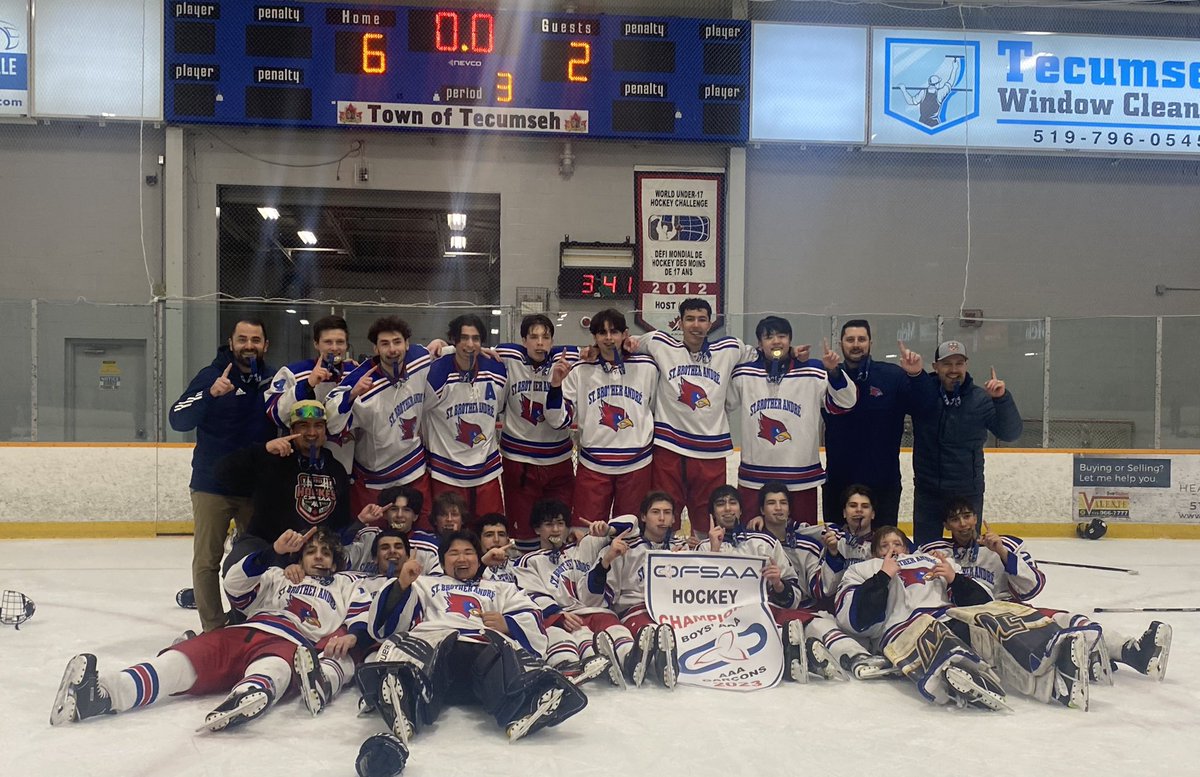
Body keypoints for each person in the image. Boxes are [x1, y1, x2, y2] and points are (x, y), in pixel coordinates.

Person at [51, 527, 361, 730]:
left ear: (335, 563)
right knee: (176, 662)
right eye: (311, 551)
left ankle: (249, 694)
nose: (318, 557)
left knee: (276, 667)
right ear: (300, 557)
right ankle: (102, 695)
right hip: (242, 631)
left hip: (291, 642)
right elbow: (235, 585)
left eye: (325, 553)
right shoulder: (279, 576)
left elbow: (363, 613)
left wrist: (348, 637)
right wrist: (271, 556)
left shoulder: (346, 584)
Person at [356, 530, 587, 748]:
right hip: (438, 662)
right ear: (442, 560)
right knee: (413, 648)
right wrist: (402, 585)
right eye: (453, 553)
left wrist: (508, 623)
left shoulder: (500, 588)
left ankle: (526, 706)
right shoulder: (424, 583)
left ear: (479, 559)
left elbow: (531, 614)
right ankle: (407, 702)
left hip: (484, 662)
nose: (461, 558)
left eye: (468, 552)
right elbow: (386, 628)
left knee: (501, 655)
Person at [922, 499, 1172, 683]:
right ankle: (1086, 660)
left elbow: (1032, 587)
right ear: (946, 525)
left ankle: (1132, 653)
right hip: (965, 620)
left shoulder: (1006, 544)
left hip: (1008, 609)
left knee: (1064, 620)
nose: (963, 524)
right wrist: (926, 560)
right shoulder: (934, 549)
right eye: (955, 519)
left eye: (967, 516)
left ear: (976, 517)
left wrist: (1002, 553)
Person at [169, 318, 275, 632]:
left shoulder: (271, 379)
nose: (249, 345)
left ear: (265, 345)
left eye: (255, 339)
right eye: (242, 339)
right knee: (207, 561)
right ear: (231, 343)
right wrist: (209, 395)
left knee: (258, 558)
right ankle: (213, 629)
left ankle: (250, 621)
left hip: (255, 488)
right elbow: (177, 418)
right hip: (211, 485)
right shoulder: (211, 376)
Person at [835, 526, 1009, 709]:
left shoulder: (935, 561)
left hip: (947, 618)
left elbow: (983, 603)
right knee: (929, 633)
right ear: (874, 553)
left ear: (907, 549)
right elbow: (855, 620)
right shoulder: (862, 569)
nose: (892, 549)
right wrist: (882, 577)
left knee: (992, 627)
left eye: (897, 544)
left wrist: (954, 578)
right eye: (884, 546)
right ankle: (958, 676)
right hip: (903, 631)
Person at [629, 298, 758, 537]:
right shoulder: (659, 343)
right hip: (669, 447)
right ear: (679, 322)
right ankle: (665, 564)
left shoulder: (730, 348)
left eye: (701, 319)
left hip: (711, 450)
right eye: (689, 319)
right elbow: (624, 346)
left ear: (711, 324)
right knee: (665, 513)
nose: (695, 325)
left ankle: (707, 562)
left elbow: (763, 356)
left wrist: (791, 353)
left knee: (708, 519)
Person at [727, 316, 856, 525]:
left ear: (790, 340)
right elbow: (723, 402)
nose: (776, 341)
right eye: (769, 337)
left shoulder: (813, 370)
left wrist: (833, 371)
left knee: (802, 542)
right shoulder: (745, 373)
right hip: (754, 477)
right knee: (752, 540)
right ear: (759, 344)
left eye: (782, 336)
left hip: (801, 477)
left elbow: (847, 402)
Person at [545, 309, 658, 525]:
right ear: (594, 337)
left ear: (625, 334)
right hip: (593, 465)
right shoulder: (580, 369)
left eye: (614, 332)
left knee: (631, 534)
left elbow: (654, 410)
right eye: (602, 333)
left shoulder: (648, 367)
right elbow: (558, 420)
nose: (608, 338)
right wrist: (556, 386)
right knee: (585, 533)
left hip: (637, 464)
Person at [218, 400, 366, 562]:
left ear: (325, 431)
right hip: (270, 546)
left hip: (313, 550)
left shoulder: (336, 470)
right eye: (303, 426)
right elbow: (224, 474)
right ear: (291, 430)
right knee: (236, 565)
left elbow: (340, 522)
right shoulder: (272, 460)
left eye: (318, 426)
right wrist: (263, 450)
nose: (312, 432)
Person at [909, 340, 1023, 545]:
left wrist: (1002, 399)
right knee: (926, 551)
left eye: (959, 363)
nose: (953, 370)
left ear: (966, 365)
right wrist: (913, 375)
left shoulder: (981, 399)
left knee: (968, 552)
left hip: (967, 490)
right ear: (935, 367)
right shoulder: (924, 395)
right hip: (928, 491)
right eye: (947, 364)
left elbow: (1010, 433)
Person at [326, 316, 435, 523]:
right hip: (375, 480)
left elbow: (447, 354)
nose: (392, 349)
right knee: (373, 542)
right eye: (384, 344)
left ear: (407, 344)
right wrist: (351, 395)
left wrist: (442, 345)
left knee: (420, 537)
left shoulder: (420, 358)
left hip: (414, 471)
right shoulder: (360, 380)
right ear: (375, 349)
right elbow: (330, 422)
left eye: (397, 342)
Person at [821, 320, 927, 527]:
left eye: (862, 339)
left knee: (883, 547)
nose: (856, 344)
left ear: (871, 343)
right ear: (841, 343)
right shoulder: (827, 377)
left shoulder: (892, 376)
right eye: (850, 339)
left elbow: (923, 408)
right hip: (839, 480)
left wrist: (916, 376)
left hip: (883, 482)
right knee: (836, 546)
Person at [512, 498, 622, 686]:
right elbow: (532, 594)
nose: (556, 530)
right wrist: (557, 613)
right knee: (567, 634)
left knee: (615, 629)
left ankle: (629, 657)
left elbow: (632, 524)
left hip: (593, 612)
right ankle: (573, 664)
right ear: (537, 529)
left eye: (560, 524)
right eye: (549, 524)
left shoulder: (586, 545)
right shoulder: (528, 561)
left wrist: (607, 530)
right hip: (560, 619)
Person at [493, 315, 579, 550]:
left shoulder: (566, 361)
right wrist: (442, 347)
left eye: (546, 337)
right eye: (534, 337)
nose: (540, 343)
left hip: (558, 461)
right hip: (519, 462)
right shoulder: (509, 357)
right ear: (523, 340)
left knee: (558, 531)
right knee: (523, 533)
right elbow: (470, 348)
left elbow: (599, 347)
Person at [580, 491, 682, 688]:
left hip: (671, 612)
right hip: (635, 611)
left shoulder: (682, 549)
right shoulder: (626, 548)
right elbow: (600, 596)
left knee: (675, 633)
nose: (661, 518)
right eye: (655, 512)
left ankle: (661, 662)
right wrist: (608, 559)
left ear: (674, 519)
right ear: (644, 517)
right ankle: (650, 663)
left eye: (667, 513)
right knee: (653, 632)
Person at [422, 314, 507, 518]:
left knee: (491, 531)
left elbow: (501, 406)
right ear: (454, 339)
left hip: (487, 470)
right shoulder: (436, 372)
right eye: (464, 338)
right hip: (446, 471)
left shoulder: (495, 368)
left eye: (476, 339)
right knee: (449, 535)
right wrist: (443, 348)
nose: (470, 344)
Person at [265, 315, 357, 473]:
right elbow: (275, 414)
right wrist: (308, 384)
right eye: (328, 342)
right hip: (295, 467)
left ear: (347, 346)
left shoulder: (356, 374)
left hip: (342, 467)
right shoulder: (292, 372)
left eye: (340, 342)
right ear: (316, 343)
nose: (334, 347)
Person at [478, 513, 519, 584]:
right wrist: (483, 564)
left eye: (501, 534)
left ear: (508, 540)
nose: (496, 540)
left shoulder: (520, 565)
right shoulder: (469, 567)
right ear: (479, 540)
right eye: (489, 535)